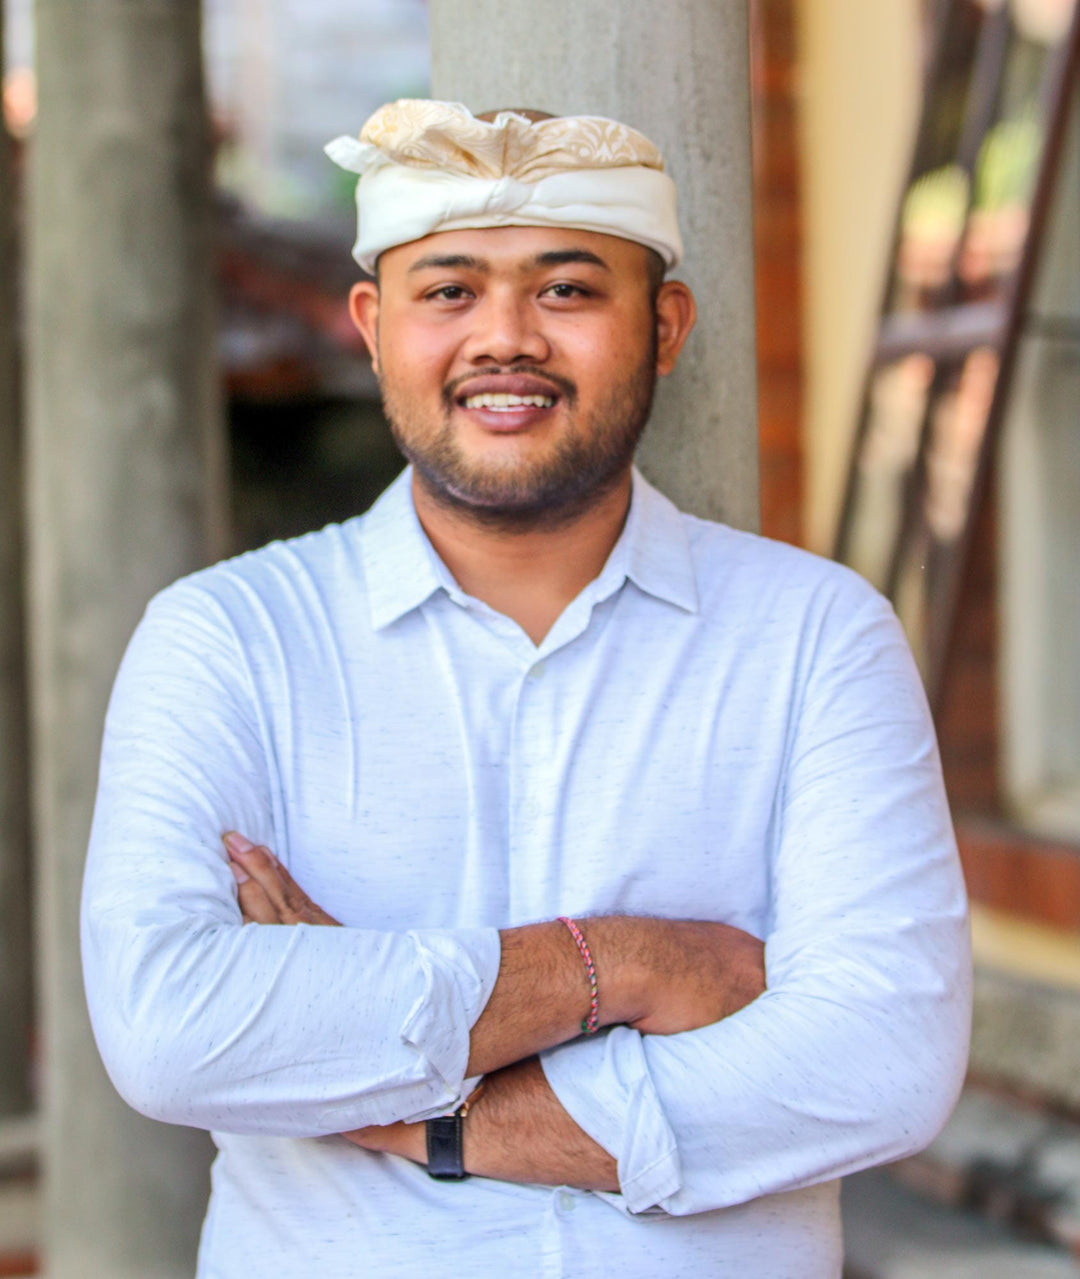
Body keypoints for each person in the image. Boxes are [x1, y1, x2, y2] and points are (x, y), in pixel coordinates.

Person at [81, 100, 971, 1278]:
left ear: (664, 326)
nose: (505, 338)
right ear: (373, 325)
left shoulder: (815, 636)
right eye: (448, 290)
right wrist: (628, 964)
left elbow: (882, 1059)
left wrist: (419, 1107)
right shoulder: (230, 638)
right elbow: (172, 1029)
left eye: (566, 290)